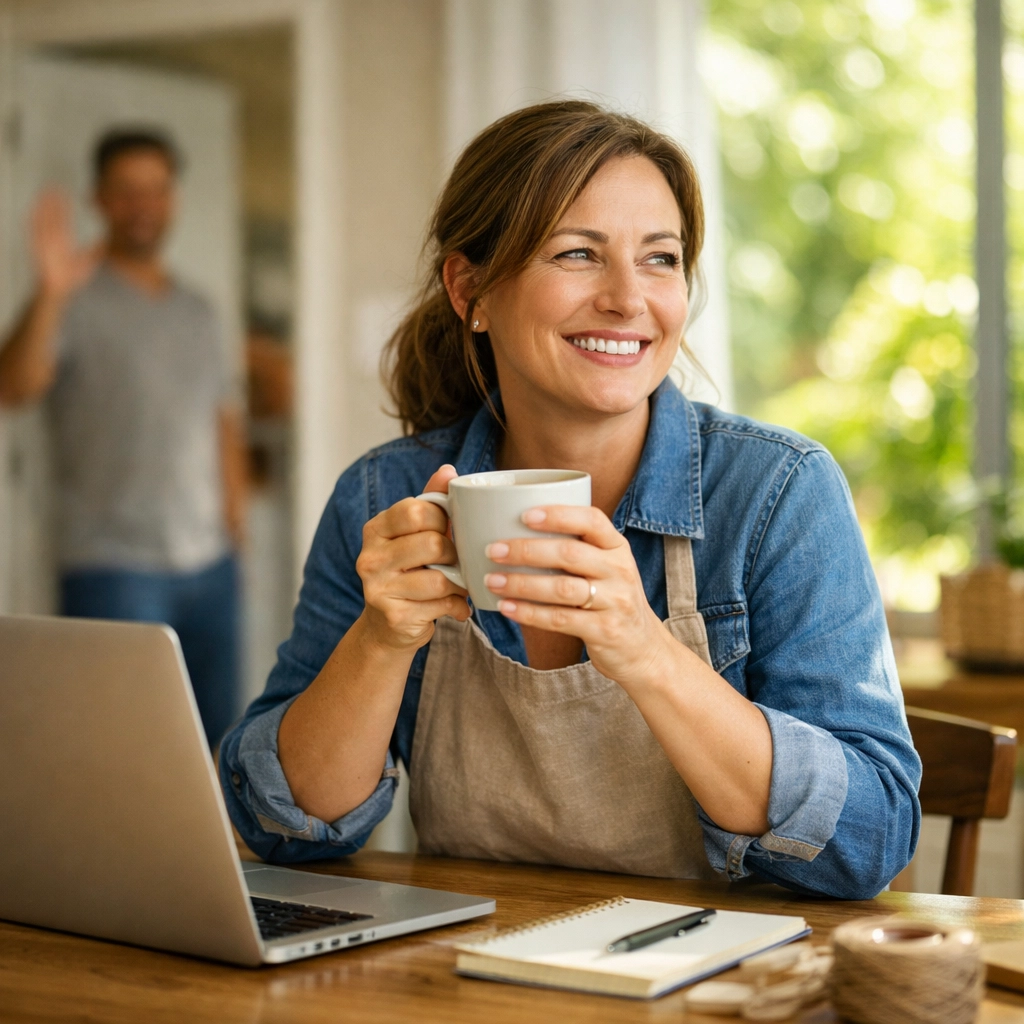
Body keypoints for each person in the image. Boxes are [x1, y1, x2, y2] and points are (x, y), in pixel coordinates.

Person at [220, 101, 920, 898]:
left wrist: (644, 651)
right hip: (475, 979)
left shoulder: (775, 493)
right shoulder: (383, 497)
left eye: (660, 259)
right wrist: (381, 641)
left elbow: (872, 835)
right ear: (469, 287)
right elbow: (283, 827)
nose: (629, 299)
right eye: (579, 254)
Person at [0, 128, 247, 747]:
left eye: (157, 189)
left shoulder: (199, 309)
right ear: (100, 200)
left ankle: (207, 853)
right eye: (127, 190)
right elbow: (14, 386)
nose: (144, 204)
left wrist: (234, 525)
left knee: (216, 744)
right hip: (112, 565)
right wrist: (51, 293)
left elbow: (221, 418)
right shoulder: (72, 300)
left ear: (172, 199)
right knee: (122, 747)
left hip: (209, 564)